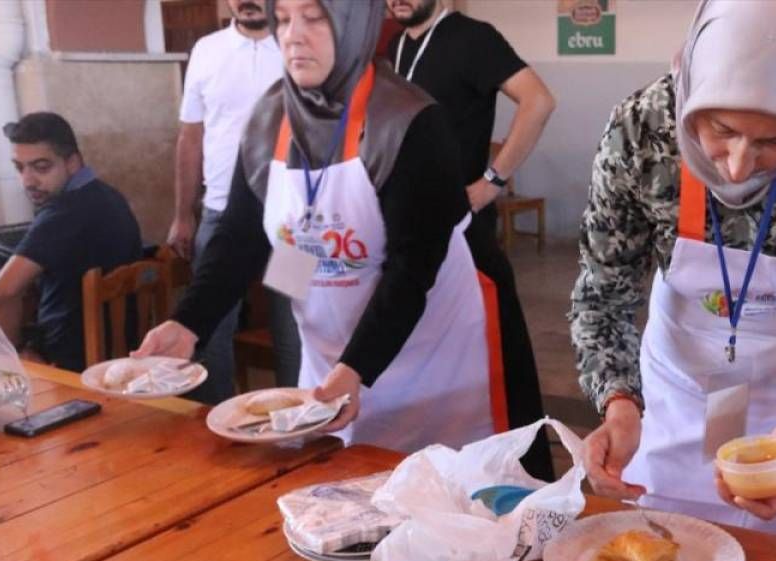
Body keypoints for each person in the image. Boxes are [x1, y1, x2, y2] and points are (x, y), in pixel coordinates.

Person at [572, 0, 776, 550]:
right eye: (721, 130)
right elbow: (602, 295)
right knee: (675, 558)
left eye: (775, 141)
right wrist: (620, 404)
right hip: (682, 385)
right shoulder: (641, 130)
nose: (738, 165)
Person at [136, 0, 503, 453]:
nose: (293, 35)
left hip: (427, 362)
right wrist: (189, 322)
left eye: (314, 17)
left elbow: (412, 269)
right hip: (332, 368)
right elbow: (241, 237)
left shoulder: (407, 120)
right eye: (284, 18)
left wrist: (358, 366)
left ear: (354, 23)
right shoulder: (270, 116)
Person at [387, 0, 556, 479]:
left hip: (466, 239)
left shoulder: (472, 36)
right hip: (414, 239)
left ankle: (525, 489)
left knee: (501, 378)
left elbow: (539, 100)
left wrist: (490, 183)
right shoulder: (396, 46)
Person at [168, 0, 299, 403]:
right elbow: (190, 137)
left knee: (295, 326)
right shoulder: (207, 50)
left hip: (291, 220)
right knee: (208, 329)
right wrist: (182, 215)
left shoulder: (297, 45)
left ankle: (303, 428)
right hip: (220, 212)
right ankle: (213, 435)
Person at [0, 112, 141, 371]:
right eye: (20, 168)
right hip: (119, 350)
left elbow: (2, 292)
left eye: (41, 167)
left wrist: (16, 354)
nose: (27, 181)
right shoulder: (109, 195)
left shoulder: (64, 212)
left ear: (72, 162)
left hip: (66, 360)